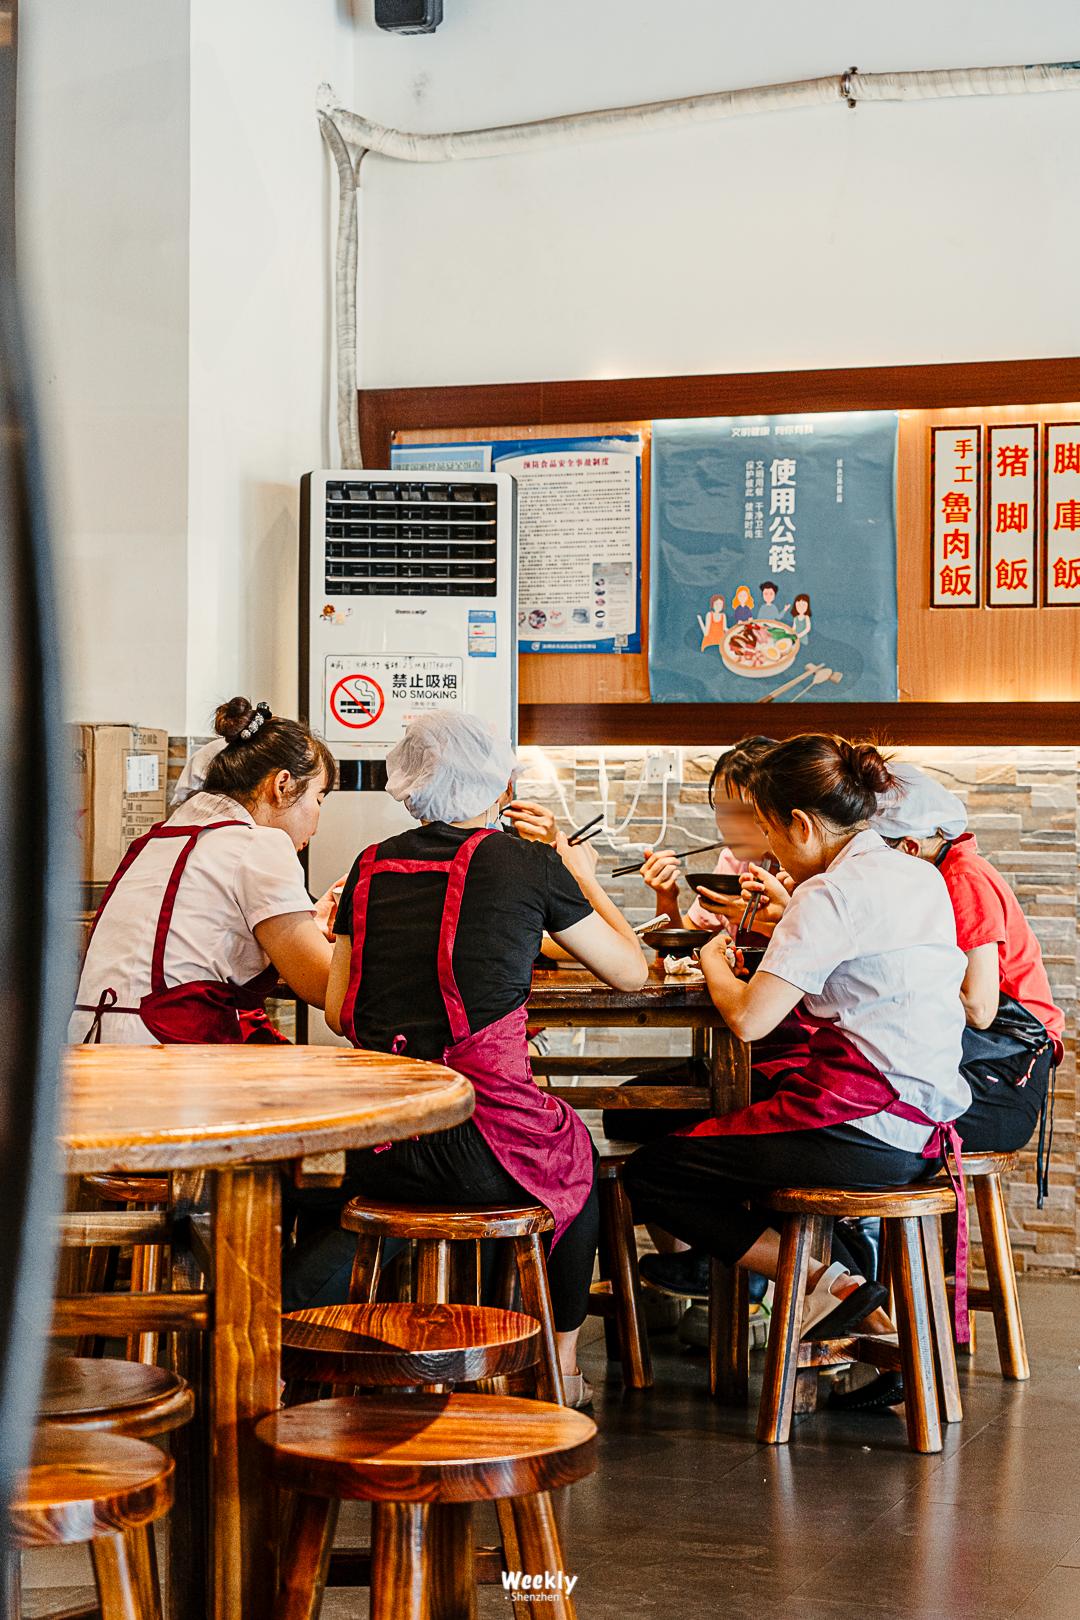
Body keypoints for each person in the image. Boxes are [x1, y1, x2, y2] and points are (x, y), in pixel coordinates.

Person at [323, 710, 648, 1408]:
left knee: (554, 1149)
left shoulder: (369, 864)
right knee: (574, 1157)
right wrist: (579, 873)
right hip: (480, 1148)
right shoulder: (526, 862)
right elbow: (630, 971)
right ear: (498, 783)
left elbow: (334, 1007)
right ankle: (558, 1367)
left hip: (382, 1148)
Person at [625, 734, 971, 1345]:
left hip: (860, 1125)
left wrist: (711, 958)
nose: (771, 848)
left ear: (804, 825)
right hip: (919, 1129)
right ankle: (875, 1328)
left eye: (769, 829)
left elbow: (751, 1020)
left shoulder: (830, 892)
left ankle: (825, 1283)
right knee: (725, 1137)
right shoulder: (916, 876)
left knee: (653, 1173)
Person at [70, 697, 338, 1045]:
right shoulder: (260, 844)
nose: (316, 823)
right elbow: (320, 984)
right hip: (164, 1053)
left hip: (87, 1044)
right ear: (282, 785)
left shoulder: (157, 839)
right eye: (318, 799)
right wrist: (350, 921)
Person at [871, 763, 1063, 1175]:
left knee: (867, 1116)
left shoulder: (962, 879)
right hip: (980, 1060)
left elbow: (979, 1008)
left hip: (1006, 1071)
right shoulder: (942, 872)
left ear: (907, 848)